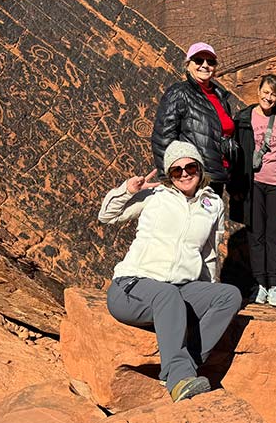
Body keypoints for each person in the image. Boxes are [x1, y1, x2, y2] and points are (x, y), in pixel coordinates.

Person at [99, 141, 242, 402]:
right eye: (176, 171)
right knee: (167, 295)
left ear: (199, 168)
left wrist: (207, 290)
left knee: (228, 295)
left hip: (179, 288)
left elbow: (209, 254)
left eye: (190, 167)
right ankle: (178, 379)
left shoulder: (212, 203)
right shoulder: (155, 196)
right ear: (169, 175)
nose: (184, 174)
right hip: (132, 286)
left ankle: (183, 366)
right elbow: (106, 216)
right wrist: (127, 191)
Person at [229, 74, 276, 307]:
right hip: (253, 185)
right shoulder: (243, 119)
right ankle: (259, 284)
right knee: (255, 234)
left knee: (274, 236)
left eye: (273, 94)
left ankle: (275, 286)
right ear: (258, 90)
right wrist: (235, 186)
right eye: (265, 91)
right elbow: (235, 155)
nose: (268, 97)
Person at [151, 42, 236, 196]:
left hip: (216, 176)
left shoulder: (220, 97)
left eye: (210, 62)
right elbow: (162, 138)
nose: (205, 65)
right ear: (188, 65)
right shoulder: (179, 93)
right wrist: (170, 178)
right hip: (190, 177)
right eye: (198, 60)